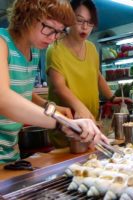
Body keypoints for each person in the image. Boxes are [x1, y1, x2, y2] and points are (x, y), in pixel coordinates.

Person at [0, 0, 108, 164]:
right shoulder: (2, 43)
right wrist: (61, 123)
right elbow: (4, 99)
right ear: (27, 15)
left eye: (58, 32)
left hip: (10, 152)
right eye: (49, 28)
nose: (52, 38)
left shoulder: (34, 50)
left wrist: (50, 107)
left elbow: (22, 92)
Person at [46, 0, 129, 147]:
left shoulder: (91, 48)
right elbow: (59, 87)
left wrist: (112, 97)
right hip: (68, 126)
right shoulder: (55, 48)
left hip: (91, 123)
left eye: (90, 22)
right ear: (68, 19)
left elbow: (96, 75)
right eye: (79, 20)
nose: (85, 27)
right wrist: (80, 108)